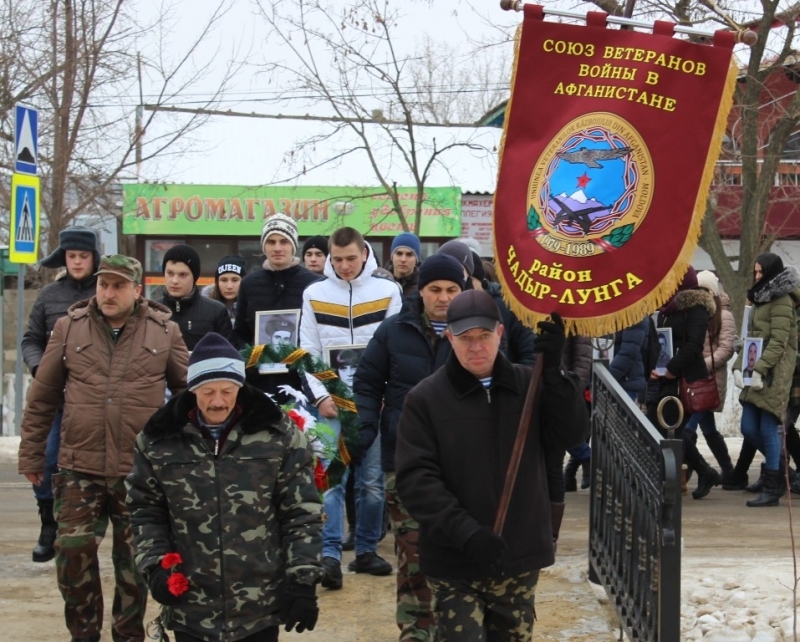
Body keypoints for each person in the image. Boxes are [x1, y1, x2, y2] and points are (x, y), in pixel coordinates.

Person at [395, 291, 589, 641]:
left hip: (516, 557)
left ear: (500, 333)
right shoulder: (424, 399)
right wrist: (466, 533)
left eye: (484, 336)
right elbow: (416, 481)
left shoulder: (529, 385)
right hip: (454, 560)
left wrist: (556, 376)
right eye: (465, 338)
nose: (476, 347)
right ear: (449, 337)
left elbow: (570, 433)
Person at [18, 254, 189, 642]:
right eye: (103, 284)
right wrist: (31, 453)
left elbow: (186, 400)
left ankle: (128, 636)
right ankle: (84, 634)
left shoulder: (164, 332)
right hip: (79, 466)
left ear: (136, 289)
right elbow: (42, 396)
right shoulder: (68, 327)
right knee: (72, 553)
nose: (108, 293)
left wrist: (181, 457)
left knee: (134, 564)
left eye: (118, 285)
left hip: (139, 471)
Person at [126, 332, 323, 642]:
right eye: (207, 391)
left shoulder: (278, 434)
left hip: (259, 606)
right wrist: (155, 567)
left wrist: (303, 579)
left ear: (241, 387)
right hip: (191, 605)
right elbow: (145, 511)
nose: (218, 402)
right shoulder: (158, 440)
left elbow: (301, 511)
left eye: (227, 391)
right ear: (192, 390)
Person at [353, 253, 465, 640]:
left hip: (461, 463)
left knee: (456, 547)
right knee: (413, 551)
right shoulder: (394, 330)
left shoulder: (474, 332)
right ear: (422, 290)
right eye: (436, 289)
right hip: (406, 459)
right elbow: (367, 382)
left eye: (452, 290)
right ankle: (416, 629)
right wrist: (366, 426)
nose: (444, 297)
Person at [300, 226, 402, 588]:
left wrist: (384, 395)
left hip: (372, 401)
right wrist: (321, 397)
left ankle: (365, 551)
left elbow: (396, 347)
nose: (344, 266)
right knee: (329, 481)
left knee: (372, 483)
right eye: (338, 259)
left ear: (365, 254)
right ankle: (329, 556)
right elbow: (307, 349)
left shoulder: (388, 291)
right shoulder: (314, 294)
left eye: (351, 258)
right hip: (329, 403)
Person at [21, 226, 100, 564]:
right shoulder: (49, 296)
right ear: (63, 258)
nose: (78, 261)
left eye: (84, 256)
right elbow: (30, 339)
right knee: (48, 460)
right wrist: (41, 369)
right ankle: (48, 525)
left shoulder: (107, 291)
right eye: (72, 256)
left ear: (94, 258)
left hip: (98, 396)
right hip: (56, 398)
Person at [732, 253, 800, 507]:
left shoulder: (781, 301)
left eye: (761, 273)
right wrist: (739, 368)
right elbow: (750, 339)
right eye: (756, 273)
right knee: (748, 427)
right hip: (755, 373)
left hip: (774, 373)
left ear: (772, 272)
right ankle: (785, 473)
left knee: (768, 428)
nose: (757, 277)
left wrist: (760, 369)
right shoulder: (760, 301)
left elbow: (780, 343)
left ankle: (774, 486)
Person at [647, 267, 720, 500]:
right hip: (667, 378)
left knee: (672, 431)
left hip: (686, 378)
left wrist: (671, 368)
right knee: (668, 430)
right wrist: (656, 367)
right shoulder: (667, 307)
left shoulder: (695, 306)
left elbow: (694, 345)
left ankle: (669, 484)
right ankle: (703, 471)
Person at [232, 214, 321, 400]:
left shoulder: (313, 284)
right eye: (271, 242)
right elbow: (239, 333)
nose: (277, 248)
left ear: (293, 246)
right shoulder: (249, 284)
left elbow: (320, 334)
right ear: (264, 246)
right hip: (258, 385)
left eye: (284, 241)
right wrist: (254, 356)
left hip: (302, 385)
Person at [684, 271, 736, 486]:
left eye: (704, 290)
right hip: (694, 379)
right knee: (708, 429)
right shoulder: (695, 313)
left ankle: (700, 470)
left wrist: (700, 365)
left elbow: (726, 349)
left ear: (712, 291)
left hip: (709, 380)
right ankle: (729, 472)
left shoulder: (724, 316)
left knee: (687, 429)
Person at [161, 244, 232, 350]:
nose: (174, 281)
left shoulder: (216, 311)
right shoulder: (151, 311)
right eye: (170, 273)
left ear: (194, 277)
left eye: (183, 275)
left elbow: (226, 356)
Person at [206, 255, 246, 326]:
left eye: (235, 280)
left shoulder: (250, 308)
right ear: (217, 283)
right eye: (224, 280)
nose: (229, 286)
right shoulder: (205, 309)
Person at [386, 232, 421, 297]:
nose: (403, 259)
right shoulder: (381, 283)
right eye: (399, 254)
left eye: (409, 255)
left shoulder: (422, 288)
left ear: (416, 260)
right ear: (392, 257)